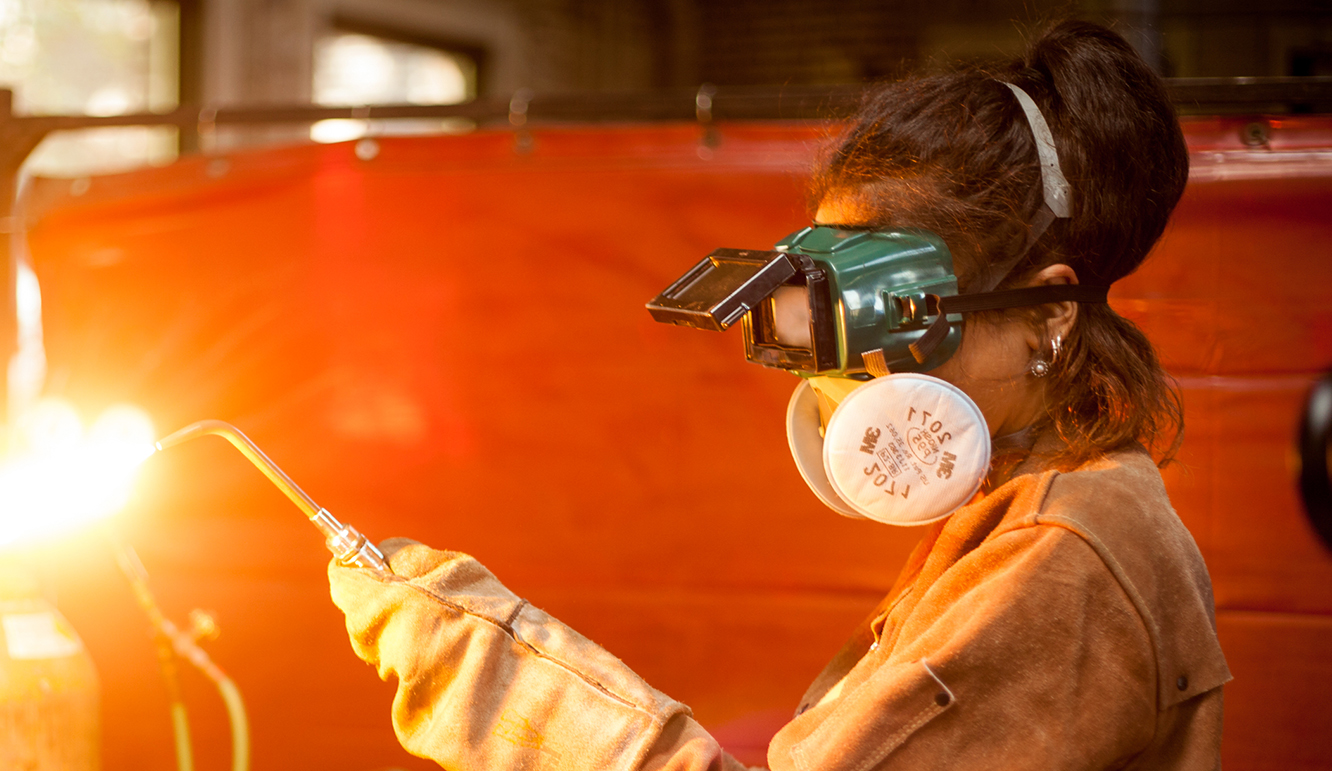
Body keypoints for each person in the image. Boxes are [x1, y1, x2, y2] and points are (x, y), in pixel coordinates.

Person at [325, 20, 1227, 771]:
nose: (844, 384)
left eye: (892, 325)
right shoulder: (1030, 503)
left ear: (1050, 314)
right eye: (822, 331)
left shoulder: (1065, 554)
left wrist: (490, 672)